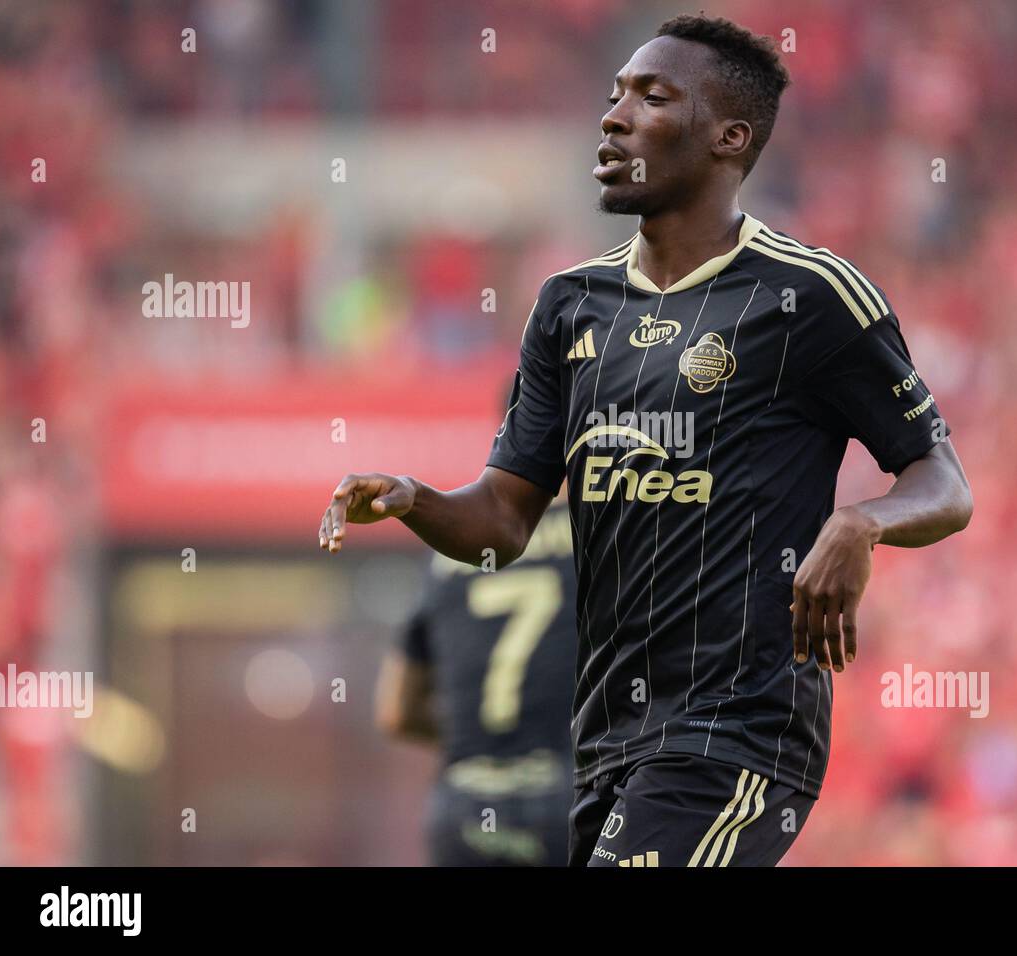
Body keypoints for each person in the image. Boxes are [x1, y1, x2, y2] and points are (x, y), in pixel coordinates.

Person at [320, 15, 971, 867]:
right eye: (614, 94)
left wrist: (863, 523)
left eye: (651, 98)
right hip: (606, 741)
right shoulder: (568, 306)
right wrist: (417, 501)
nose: (614, 116)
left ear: (729, 139)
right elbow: (505, 520)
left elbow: (944, 481)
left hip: (738, 730)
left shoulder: (810, 296)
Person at [375, 500, 577, 866]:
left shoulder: (454, 543)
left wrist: (482, 746)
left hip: (462, 807)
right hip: (566, 797)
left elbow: (395, 712)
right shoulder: (600, 529)